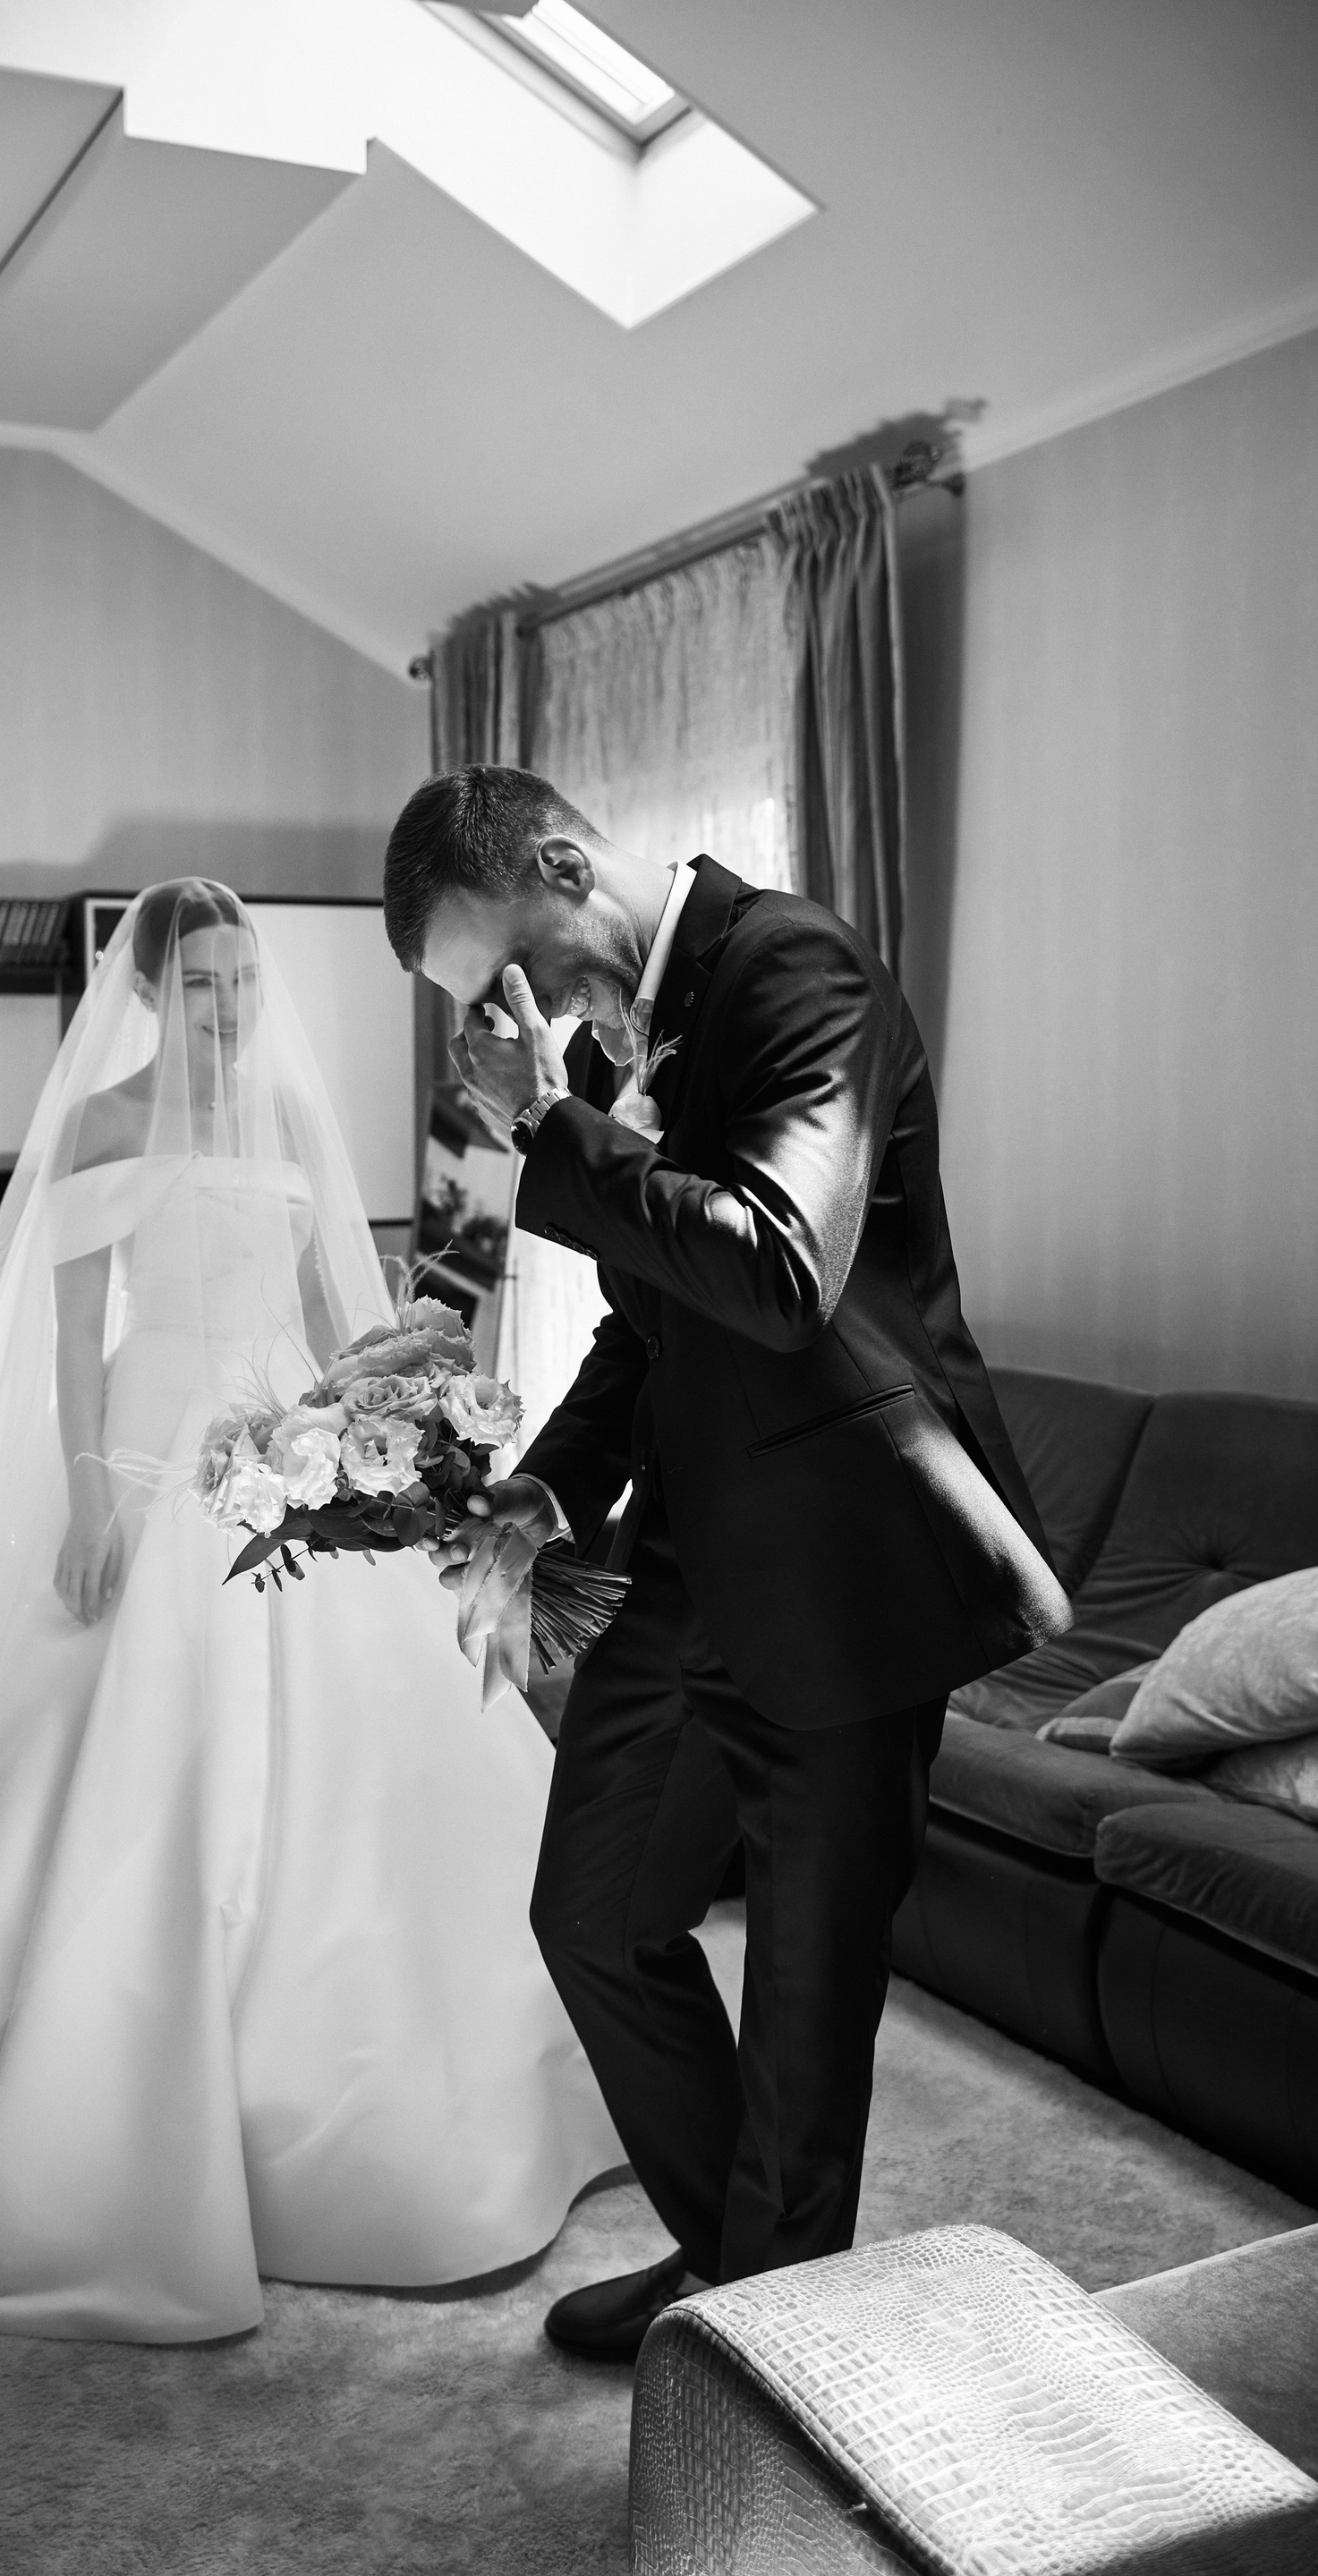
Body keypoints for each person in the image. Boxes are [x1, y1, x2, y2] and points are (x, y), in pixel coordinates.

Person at [0, 880, 617, 2341]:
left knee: (385, 1745)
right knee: (109, 1749)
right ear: (147, 992)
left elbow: (331, 1324)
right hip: (154, 1444)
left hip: (294, 1444)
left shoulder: (288, 1116)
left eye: (242, 981)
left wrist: (394, 1436)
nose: (228, 1009)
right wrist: (89, 1501)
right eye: (199, 985)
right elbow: (76, 1338)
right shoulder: (102, 1122)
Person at [383, 767, 1069, 2361]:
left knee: (808, 2009)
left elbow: (774, 1267)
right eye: (482, 1001)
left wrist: (547, 1127)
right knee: (592, 1916)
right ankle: (733, 2274)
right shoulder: (623, 1039)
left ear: (567, 865)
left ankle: (778, 2362)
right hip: (684, 1562)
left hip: (848, 1573)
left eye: (512, 969)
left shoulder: (797, 970)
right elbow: (653, 1322)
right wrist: (549, 1490)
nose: (515, 1017)